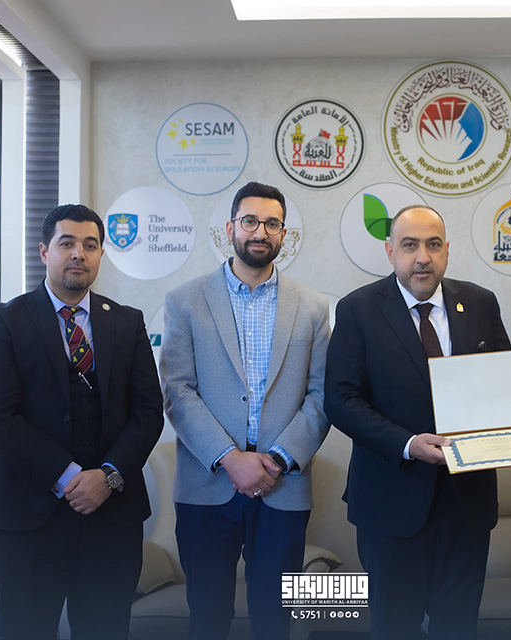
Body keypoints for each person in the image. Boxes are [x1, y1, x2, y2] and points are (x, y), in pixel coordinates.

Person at [0, 204, 164, 640]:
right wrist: (70, 477)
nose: (79, 253)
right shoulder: (5, 320)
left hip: (111, 519)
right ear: (45, 251)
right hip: (27, 516)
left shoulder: (128, 322)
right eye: (67, 243)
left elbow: (148, 412)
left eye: (90, 245)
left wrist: (108, 477)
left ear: (100, 255)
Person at [324, 205, 511, 640]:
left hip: (467, 504)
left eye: (433, 244)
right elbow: (341, 401)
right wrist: (407, 444)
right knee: (395, 628)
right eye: (410, 245)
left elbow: (502, 386)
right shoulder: (358, 310)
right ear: (390, 251)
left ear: (447, 251)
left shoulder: (480, 303)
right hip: (391, 501)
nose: (422, 257)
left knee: (458, 628)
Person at [160, 181, 331, 640]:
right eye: (250, 221)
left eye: (272, 223)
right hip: (207, 483)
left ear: (284, 234)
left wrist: (277, 459)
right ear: (230, 228)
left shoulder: (313, 307)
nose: (260, 232)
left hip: (283, 484)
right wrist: (231, 459)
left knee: (275, 621)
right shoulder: (185, 301)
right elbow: (178, 390)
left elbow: (321, 394)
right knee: (207, 620)